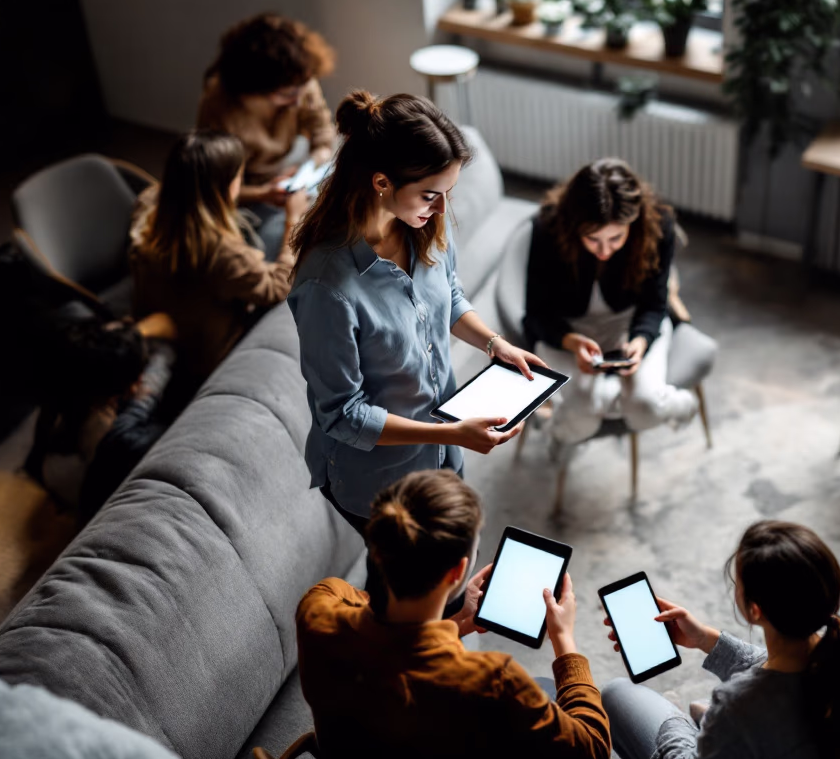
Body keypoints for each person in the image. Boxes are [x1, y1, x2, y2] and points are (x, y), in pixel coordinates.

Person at [287, 90, 543, 539]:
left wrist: (494, 344)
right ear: (382, 182)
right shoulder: (326, 288)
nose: (442, 208)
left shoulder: (424, 227)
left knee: (448, 577)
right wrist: (455, 434)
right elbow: (344, 416)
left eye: (447, 192)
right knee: (406, 597)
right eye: (430, 194)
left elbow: (450, 298)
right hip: (381, 483)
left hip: (443, 448)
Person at [296, 470, 610, 759]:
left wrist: (458, 621)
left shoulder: (318, 609)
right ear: (459, 570)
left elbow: (391, 638)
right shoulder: (492, 683)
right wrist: (564, 641)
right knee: (545, 692)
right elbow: (592, 756)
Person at [601, 521, 840, 759]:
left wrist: (678, 725)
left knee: (616, 693)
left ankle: (695, 725)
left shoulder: (739, 704)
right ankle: (712, 731)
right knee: (717, 717)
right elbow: (783, 670)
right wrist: (705, 640)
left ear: (754, 609)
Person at [523, 158, 697, 447]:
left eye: (616, 238)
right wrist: (571, 342)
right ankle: (564, 431)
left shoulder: (659, 227)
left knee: (645, 410)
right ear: (574, 225)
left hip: (629, 322)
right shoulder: (548, 228)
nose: (604, 251)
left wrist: (640, 340)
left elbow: (655, 303)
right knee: (580, 419)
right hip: (568, 327)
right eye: (592, 239)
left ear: (634, 223)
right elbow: (536, 313)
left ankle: (678, 405)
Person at [130, 130, 305, 398]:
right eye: (238, 177)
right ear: (225, 186)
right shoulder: (220, 252)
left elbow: (197, 193)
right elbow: (277, 288)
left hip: (167, 322)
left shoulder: (151, 206)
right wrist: (294, 221)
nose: (240, 182)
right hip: (205, 356)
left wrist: (260, 194)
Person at [197, 13, 336, 255]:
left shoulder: (299, 79)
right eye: (286, 95)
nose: (297, 101)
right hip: (248, 191)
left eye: (301, 90)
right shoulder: (219, 107)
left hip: (292, 171)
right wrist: (263, 194)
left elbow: (324, 134)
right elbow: (213, 188)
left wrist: (310, 166)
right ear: (253, 90)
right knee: (286, 244)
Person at [24, 312, 177, 524]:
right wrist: (140, 346)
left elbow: (161, 323)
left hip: (52, 464)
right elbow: (166, 333)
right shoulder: (116, 431)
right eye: (135, 379)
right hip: (81, 485)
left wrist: (125, 339)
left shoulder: (68, 372)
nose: (137, 384)